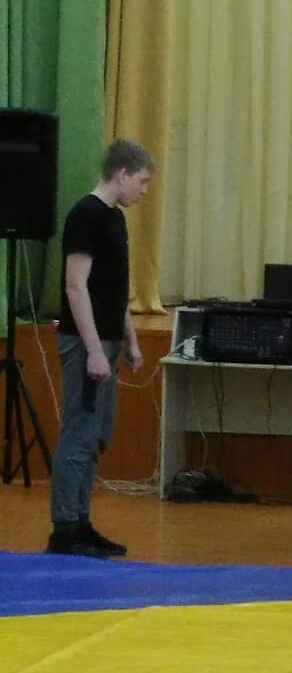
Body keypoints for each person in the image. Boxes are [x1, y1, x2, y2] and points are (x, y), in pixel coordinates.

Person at [46, 139, 153, 557]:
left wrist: (131, 338)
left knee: (97, 435)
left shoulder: (115, 219)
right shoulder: (85, 216)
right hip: (84, 342)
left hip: (107, 340)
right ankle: (64, 529)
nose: (144, 190)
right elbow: (76, 287)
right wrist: (92, 349)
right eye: (142, 181)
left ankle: (80, 520)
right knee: (79, 434)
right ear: (122, 174)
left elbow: (115, 288)